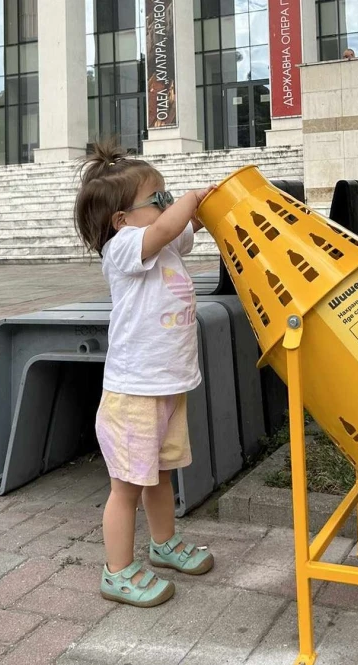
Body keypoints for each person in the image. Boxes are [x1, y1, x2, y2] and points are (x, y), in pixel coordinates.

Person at [73, 139, 215, 608]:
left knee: (160, 476)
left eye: (167, 195)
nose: (167, 204)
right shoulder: (123, 247)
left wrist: (199, 208)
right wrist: (189, 199)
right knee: (126, 488)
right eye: (158, 199)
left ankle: (163, 543)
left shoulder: (161, 239)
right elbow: (167, 227)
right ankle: (117, 570)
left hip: (168, 385)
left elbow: (184, 228)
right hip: (134, 392)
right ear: (121, 219)